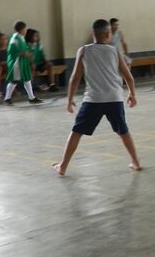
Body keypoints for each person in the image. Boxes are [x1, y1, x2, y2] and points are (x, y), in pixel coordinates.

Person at [53, 19, 141, 176]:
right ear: (108, 34)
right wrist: (132, 94)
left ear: (92, 34)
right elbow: (128, 76)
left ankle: (63, 166)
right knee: (123, 131)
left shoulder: (84, 51)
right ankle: (135, 162)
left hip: (93, 100)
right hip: (114, 98)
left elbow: (75, 78)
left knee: (76, 132)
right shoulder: (114, 51)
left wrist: (70, 99)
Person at [4, 21, 43, 105]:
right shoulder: (15, 39)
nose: (26, 30)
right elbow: (13, 51)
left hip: (22, 61)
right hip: (16, 62)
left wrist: (28, 54)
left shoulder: (21, 37)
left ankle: (31, 97)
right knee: (14, 80)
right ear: (21, 29)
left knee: (27, 79)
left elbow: (24, 49)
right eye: (25, 28)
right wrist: (26, 54)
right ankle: (7, 98)